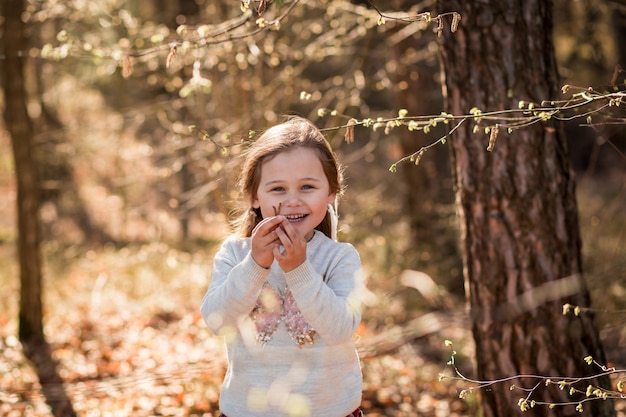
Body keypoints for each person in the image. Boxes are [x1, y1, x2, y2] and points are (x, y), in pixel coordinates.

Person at [201, 116, 365, 417]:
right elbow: (217, 321)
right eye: (277, 189)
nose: (292, 201)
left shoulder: (340, 258)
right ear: (253, 196)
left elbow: (341, 329)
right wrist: (255, 264)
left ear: (331, 193)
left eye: (307, 187)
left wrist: (299, 269)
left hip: (328, 410)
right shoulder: (235, 254)